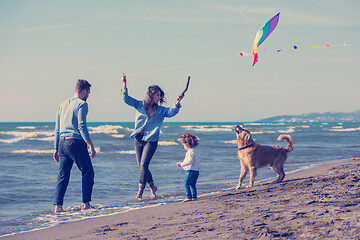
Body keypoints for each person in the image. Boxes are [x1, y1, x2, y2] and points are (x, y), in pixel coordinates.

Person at [121, 75, 184, 201]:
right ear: (151, 94)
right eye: (157, 95)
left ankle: (140, 191)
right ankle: (152, 187)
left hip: (152, 140)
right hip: (138, 138)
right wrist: (124, 83)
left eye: (160, 95)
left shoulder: (161, 110)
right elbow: (126, 99)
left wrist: (177, 102)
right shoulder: (139, 104)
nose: (159, 97)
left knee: (144, 164)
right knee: (141, 166)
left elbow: (172, 112)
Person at [53, 79, 96, 213]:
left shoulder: (62, 105)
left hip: (62, 143)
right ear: (83, 91)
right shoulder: (82, 104)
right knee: (88, 172)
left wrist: (55, 148)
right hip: (75, 142)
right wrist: (90, 145)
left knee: (63, 175)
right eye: (88, 92)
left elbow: (57, 129)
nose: (88, 95)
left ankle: (58, 207)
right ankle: (86, 204)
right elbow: (81, 126)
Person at [176, 132, 202, 202]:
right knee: (193, 184)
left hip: (191, 171)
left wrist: (181, 164)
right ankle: (194, 196)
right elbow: (198, 160)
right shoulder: (197, 151)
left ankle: (189, 197)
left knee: (186, 183)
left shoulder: (190, 152)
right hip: (197, 171)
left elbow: (189, 161)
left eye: (183, 145)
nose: (184, 146)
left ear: (187, 144)